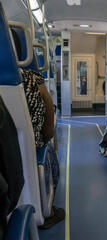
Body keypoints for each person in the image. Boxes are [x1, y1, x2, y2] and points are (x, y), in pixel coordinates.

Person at [11, 28, 64, 229]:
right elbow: (49, 118)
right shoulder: (33, 79)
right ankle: (48, 212)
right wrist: (47, 134)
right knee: (50, 157)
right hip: (30, 146)